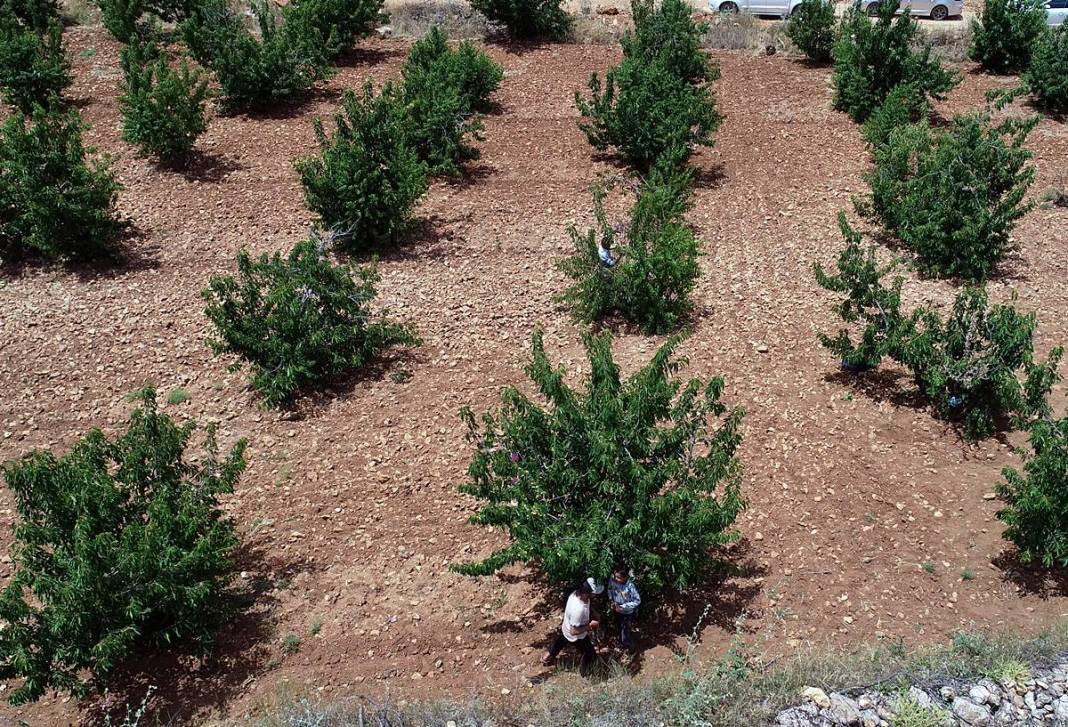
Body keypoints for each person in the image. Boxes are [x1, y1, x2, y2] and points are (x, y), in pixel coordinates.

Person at [543, 577, 602, 671]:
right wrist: (590, 625)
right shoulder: (578, 610)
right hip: (576, 637)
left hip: (565, 627)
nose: (595, 596)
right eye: (594, 594)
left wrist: (593, 612)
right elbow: (574, 631)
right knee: (590, 654)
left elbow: (587, 604)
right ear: (588, 593)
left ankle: (546, 658)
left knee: (560, 642)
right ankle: (586, 672)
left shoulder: (576, 593)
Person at [607, 564, 641, 652]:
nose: (616, 579)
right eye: (615, 576)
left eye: (618, 578)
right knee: (619, 627)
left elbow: (637, 601)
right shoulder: (613, 579)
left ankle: (629, 647)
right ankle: (622, 642)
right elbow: (610, 588)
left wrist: (622, 607)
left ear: (625, 577)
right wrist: (611, 600)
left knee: (625, 631)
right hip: (616, 609)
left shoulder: (630, 586)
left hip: (626, 613)